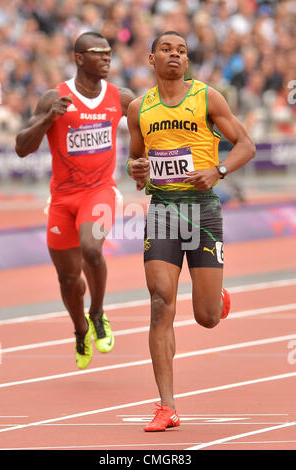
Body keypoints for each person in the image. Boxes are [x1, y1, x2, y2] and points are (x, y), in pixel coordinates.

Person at [126, 31, 255, 432]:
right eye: (167, 49)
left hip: (203, 212)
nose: (175, 55)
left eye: (182, 50)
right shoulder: (138, 108)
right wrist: (137, 171)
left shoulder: (207, 97)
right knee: (161, 302)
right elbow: (135, 162)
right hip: (164, 209)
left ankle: (215, 297)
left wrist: (217, 171)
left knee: (206, 318)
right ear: (151, 59)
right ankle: (166, 406)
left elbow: (246, 145)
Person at [15, 32, 135, 370]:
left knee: (92, 248)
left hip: (99, 191)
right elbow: (22, 147)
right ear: (79, 58)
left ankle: (97, 314)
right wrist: (47, 118)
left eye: (110, 53)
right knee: (68, 279)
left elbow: (150, 123)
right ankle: (80, 329)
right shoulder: (56, 97)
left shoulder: (120, 97)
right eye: (99, 53)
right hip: (62, 199)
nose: (107, 58)